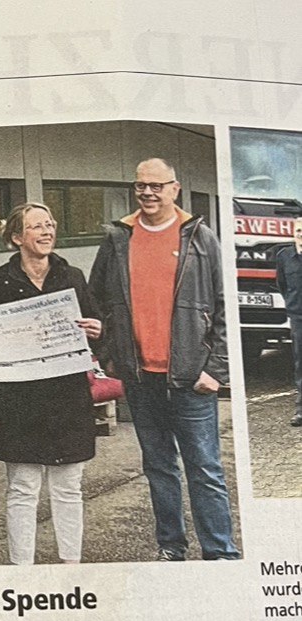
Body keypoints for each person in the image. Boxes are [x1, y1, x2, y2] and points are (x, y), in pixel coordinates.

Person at [90, 158, 239, 561]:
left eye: (157, 186)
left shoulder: (200, 237)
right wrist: (113, 356)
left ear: (175, 189)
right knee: (158, 467)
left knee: (205, 469)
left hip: (192, 379)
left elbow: (225, 305)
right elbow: (96, 302)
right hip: (141, 380)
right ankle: (171, 547)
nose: (148, 193)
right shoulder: (118, 238)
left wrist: (216, 370)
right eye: (141, 186)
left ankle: (220, 552)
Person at [0, 203, 102, 565]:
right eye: (37, 226)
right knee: (22, 489)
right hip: (21, 402)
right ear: (17, 237)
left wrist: (98, 330)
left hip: (68, 398)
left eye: (50, 224)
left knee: (68, 488)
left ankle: (71, 565)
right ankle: (22, 569)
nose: (47, 231)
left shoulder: (73, 276)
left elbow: (96, 327)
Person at [275, 217, 302, 427]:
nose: (301, 234)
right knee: (300, 364)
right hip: (298, 317)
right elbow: (282, 285)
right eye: (299, 230)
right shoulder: (284, 256)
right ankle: (301, 410)